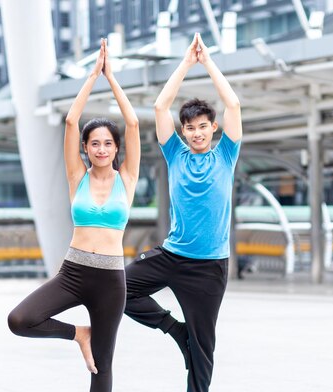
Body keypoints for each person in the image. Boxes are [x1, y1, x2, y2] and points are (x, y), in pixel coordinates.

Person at [7, 38, 140, 392]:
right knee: (20, 319)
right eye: (94, 143)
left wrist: (112, 79)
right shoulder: (76, 177)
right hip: (74, 272)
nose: (101, 148)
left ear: (116, 148)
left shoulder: (126, 179)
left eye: (108, 143)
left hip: (111, 280)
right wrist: (92, 75)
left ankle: (91, 342)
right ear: (85, 148)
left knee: (102, 366)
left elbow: (134, 124)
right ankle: (80, 334)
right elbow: (70, 120)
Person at [124, 33, 242, 392]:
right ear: (184, 131)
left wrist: (207, 62)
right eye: (190, 128)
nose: (196, 133)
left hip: (209, 267)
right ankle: (175, 330)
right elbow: (161, 108)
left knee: (202, 352)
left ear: (213, 128)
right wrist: (186, 64)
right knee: (119, 288)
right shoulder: (175, 154)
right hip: (173, 255)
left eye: (203, 127)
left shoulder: (226, 155)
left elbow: (233, 104)